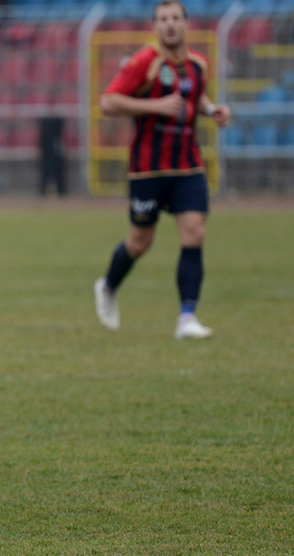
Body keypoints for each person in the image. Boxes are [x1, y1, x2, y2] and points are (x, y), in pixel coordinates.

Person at [93, 0, 230, 339]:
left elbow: (195, 97)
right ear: (154, 26)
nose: (170, 24)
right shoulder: (144, 62)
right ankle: (108, 286)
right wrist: (155, 105)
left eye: (175, 18)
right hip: (148, 169)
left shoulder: (198, 64)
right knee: (140, 242)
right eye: (163, 19)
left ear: (186, 24)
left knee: (194, 232)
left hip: (188, 164)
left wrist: (211, 109)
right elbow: (108, 101)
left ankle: (187, 318)